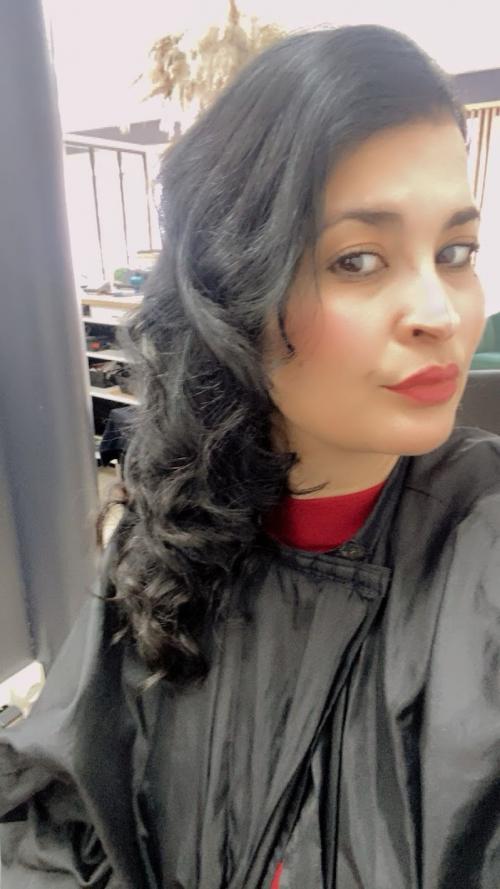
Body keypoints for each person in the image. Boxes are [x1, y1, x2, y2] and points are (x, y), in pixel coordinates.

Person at [1, 24, 499, 889]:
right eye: (359, 259)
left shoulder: (482, 558)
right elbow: (59, 827)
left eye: (455, 252)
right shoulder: (170, 535)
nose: (440, 311)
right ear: (233, 289)